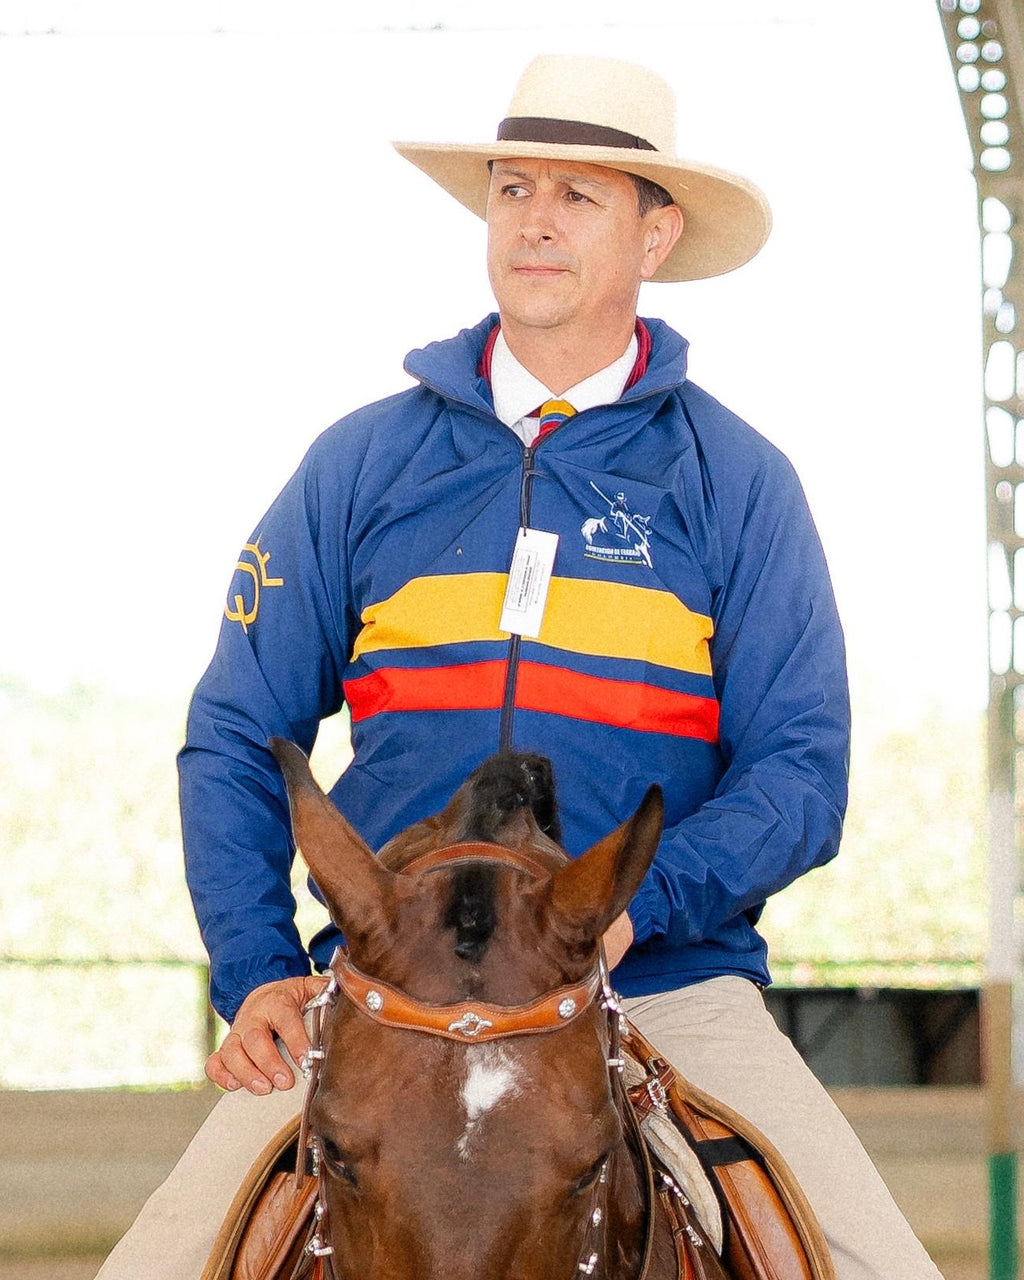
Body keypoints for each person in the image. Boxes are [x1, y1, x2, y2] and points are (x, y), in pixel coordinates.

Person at [97, 54, 944, 1280]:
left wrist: (631, 912)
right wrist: (260, 969)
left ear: (656, 235)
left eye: (578, 196)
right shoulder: (359, 463)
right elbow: (233, 728)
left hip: (667, 985)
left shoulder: (739, 482)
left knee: (880, 1265)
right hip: (384, 997)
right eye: (510, 189)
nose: (533, 222)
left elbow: (800, 773)